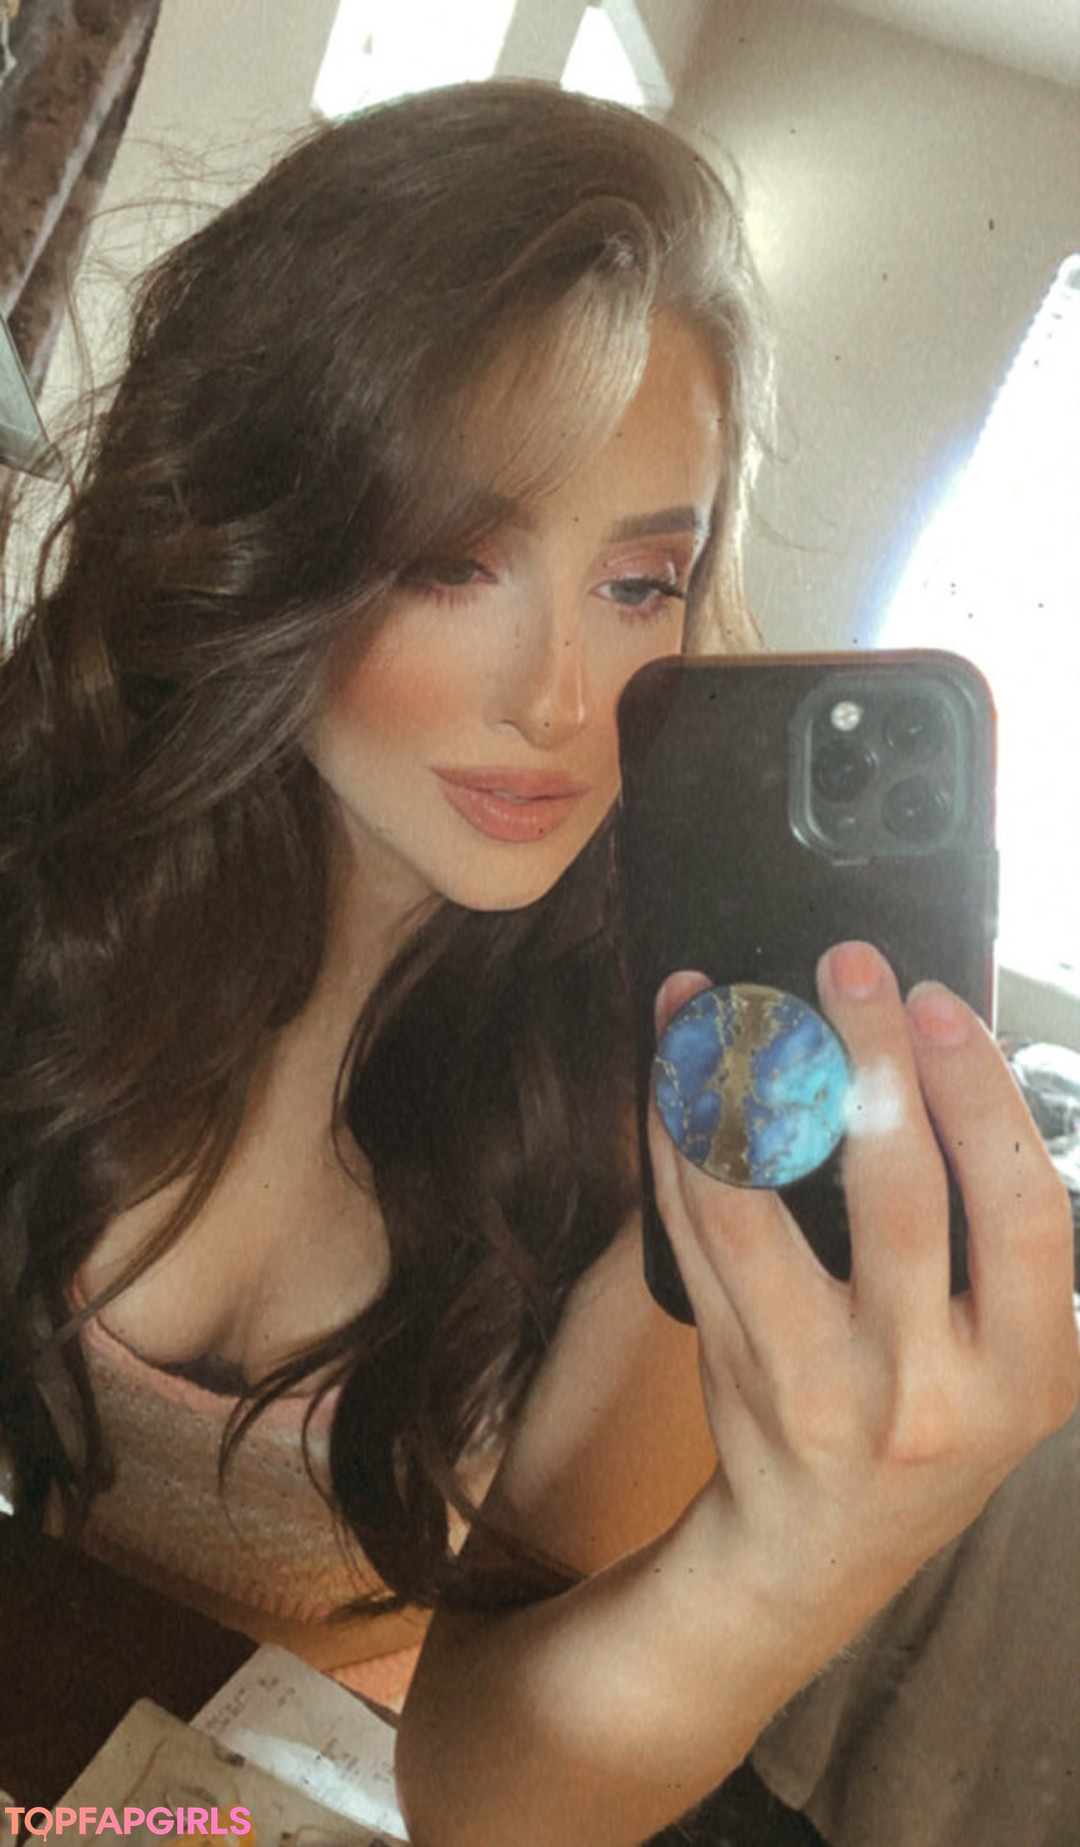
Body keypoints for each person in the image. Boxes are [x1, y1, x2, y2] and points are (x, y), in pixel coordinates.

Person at [0, 80, 1076, 1847]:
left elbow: (481, 1800)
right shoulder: (58, 856)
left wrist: (785, 1560)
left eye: (639, 584)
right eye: (453, 560)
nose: (559, 700)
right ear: (266, 521)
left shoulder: (678, 1082)